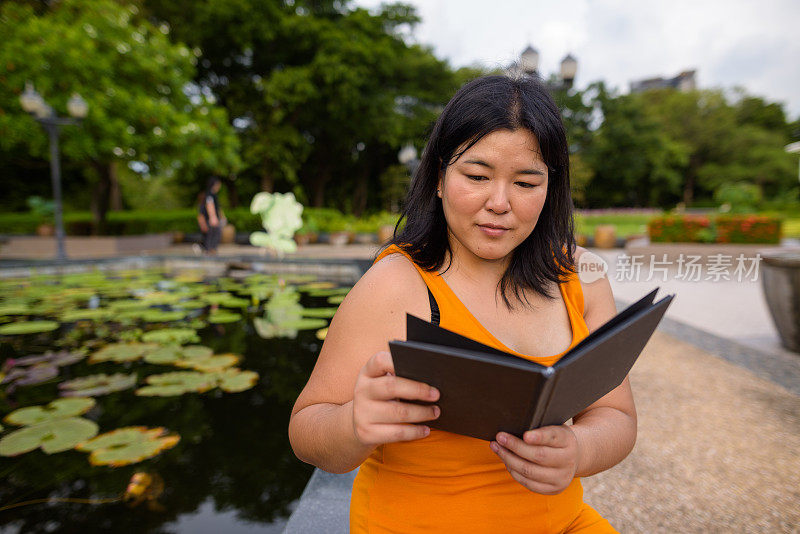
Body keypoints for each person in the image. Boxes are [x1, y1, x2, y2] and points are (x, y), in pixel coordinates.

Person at [288, 75, 635, 533]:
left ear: (551, 188)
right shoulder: (395, 284)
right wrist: (355, 423)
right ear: (437, 178)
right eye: (476, 176)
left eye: (526, 182)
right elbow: (307, 429)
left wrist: (577, 449)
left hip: (560, 522)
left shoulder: (580, 275)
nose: (499, 203)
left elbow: (616, 416)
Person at [198, 176, 226, 255]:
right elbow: (210, 206)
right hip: (210, 219)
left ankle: (210, 249)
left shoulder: (213, 195)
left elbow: (218, 208)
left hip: (211, 219)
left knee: (213, 234)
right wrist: (213, 218)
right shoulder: (210, 194)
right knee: (213, 234)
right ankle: (210, 250)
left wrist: (222, 216)